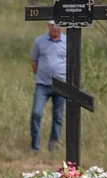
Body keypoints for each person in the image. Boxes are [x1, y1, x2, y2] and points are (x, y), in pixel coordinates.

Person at [30, 20, 66, 153]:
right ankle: (35, 146)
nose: (56, 28)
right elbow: (34, 61)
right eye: (53, 25)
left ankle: (53, 147)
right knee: (36, 113)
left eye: (58, 25)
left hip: (61, 85)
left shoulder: (68, 42)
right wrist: (41, 75)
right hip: (42, 85)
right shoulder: (39, 41)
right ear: (48, 26)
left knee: (58, 116)